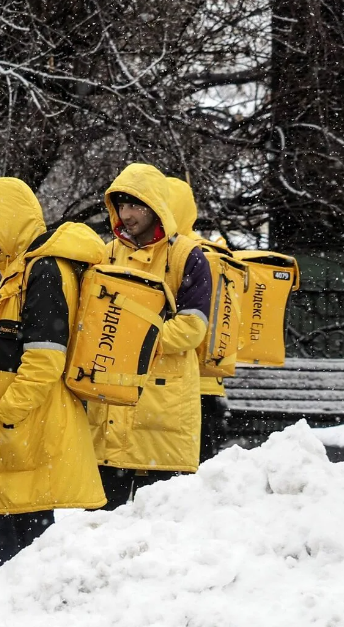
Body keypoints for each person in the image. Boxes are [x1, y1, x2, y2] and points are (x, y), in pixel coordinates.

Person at [0, 177, 109, 577]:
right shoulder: (22, 271)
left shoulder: (45, 271)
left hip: (20, 432)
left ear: (7, 221)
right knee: (4, 549)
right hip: (14, 433)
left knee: (12, 558)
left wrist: (5, 414)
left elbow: (44, 359)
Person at [87, 163, 213, 508]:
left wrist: (130, 342)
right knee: (97, 523)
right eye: (121, 206)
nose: (126, 215)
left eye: (135, 205)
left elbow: (192, 328)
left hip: (162, 412)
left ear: (156, 207)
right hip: (111, 408)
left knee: (159, 525)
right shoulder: (106, 254)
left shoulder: (188, 256)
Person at [166, 177, 235, 464]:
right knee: (200, 463)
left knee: (180, 462)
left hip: (180, 375)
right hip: (210, 379)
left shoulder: (181, 255)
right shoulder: (210, 251)